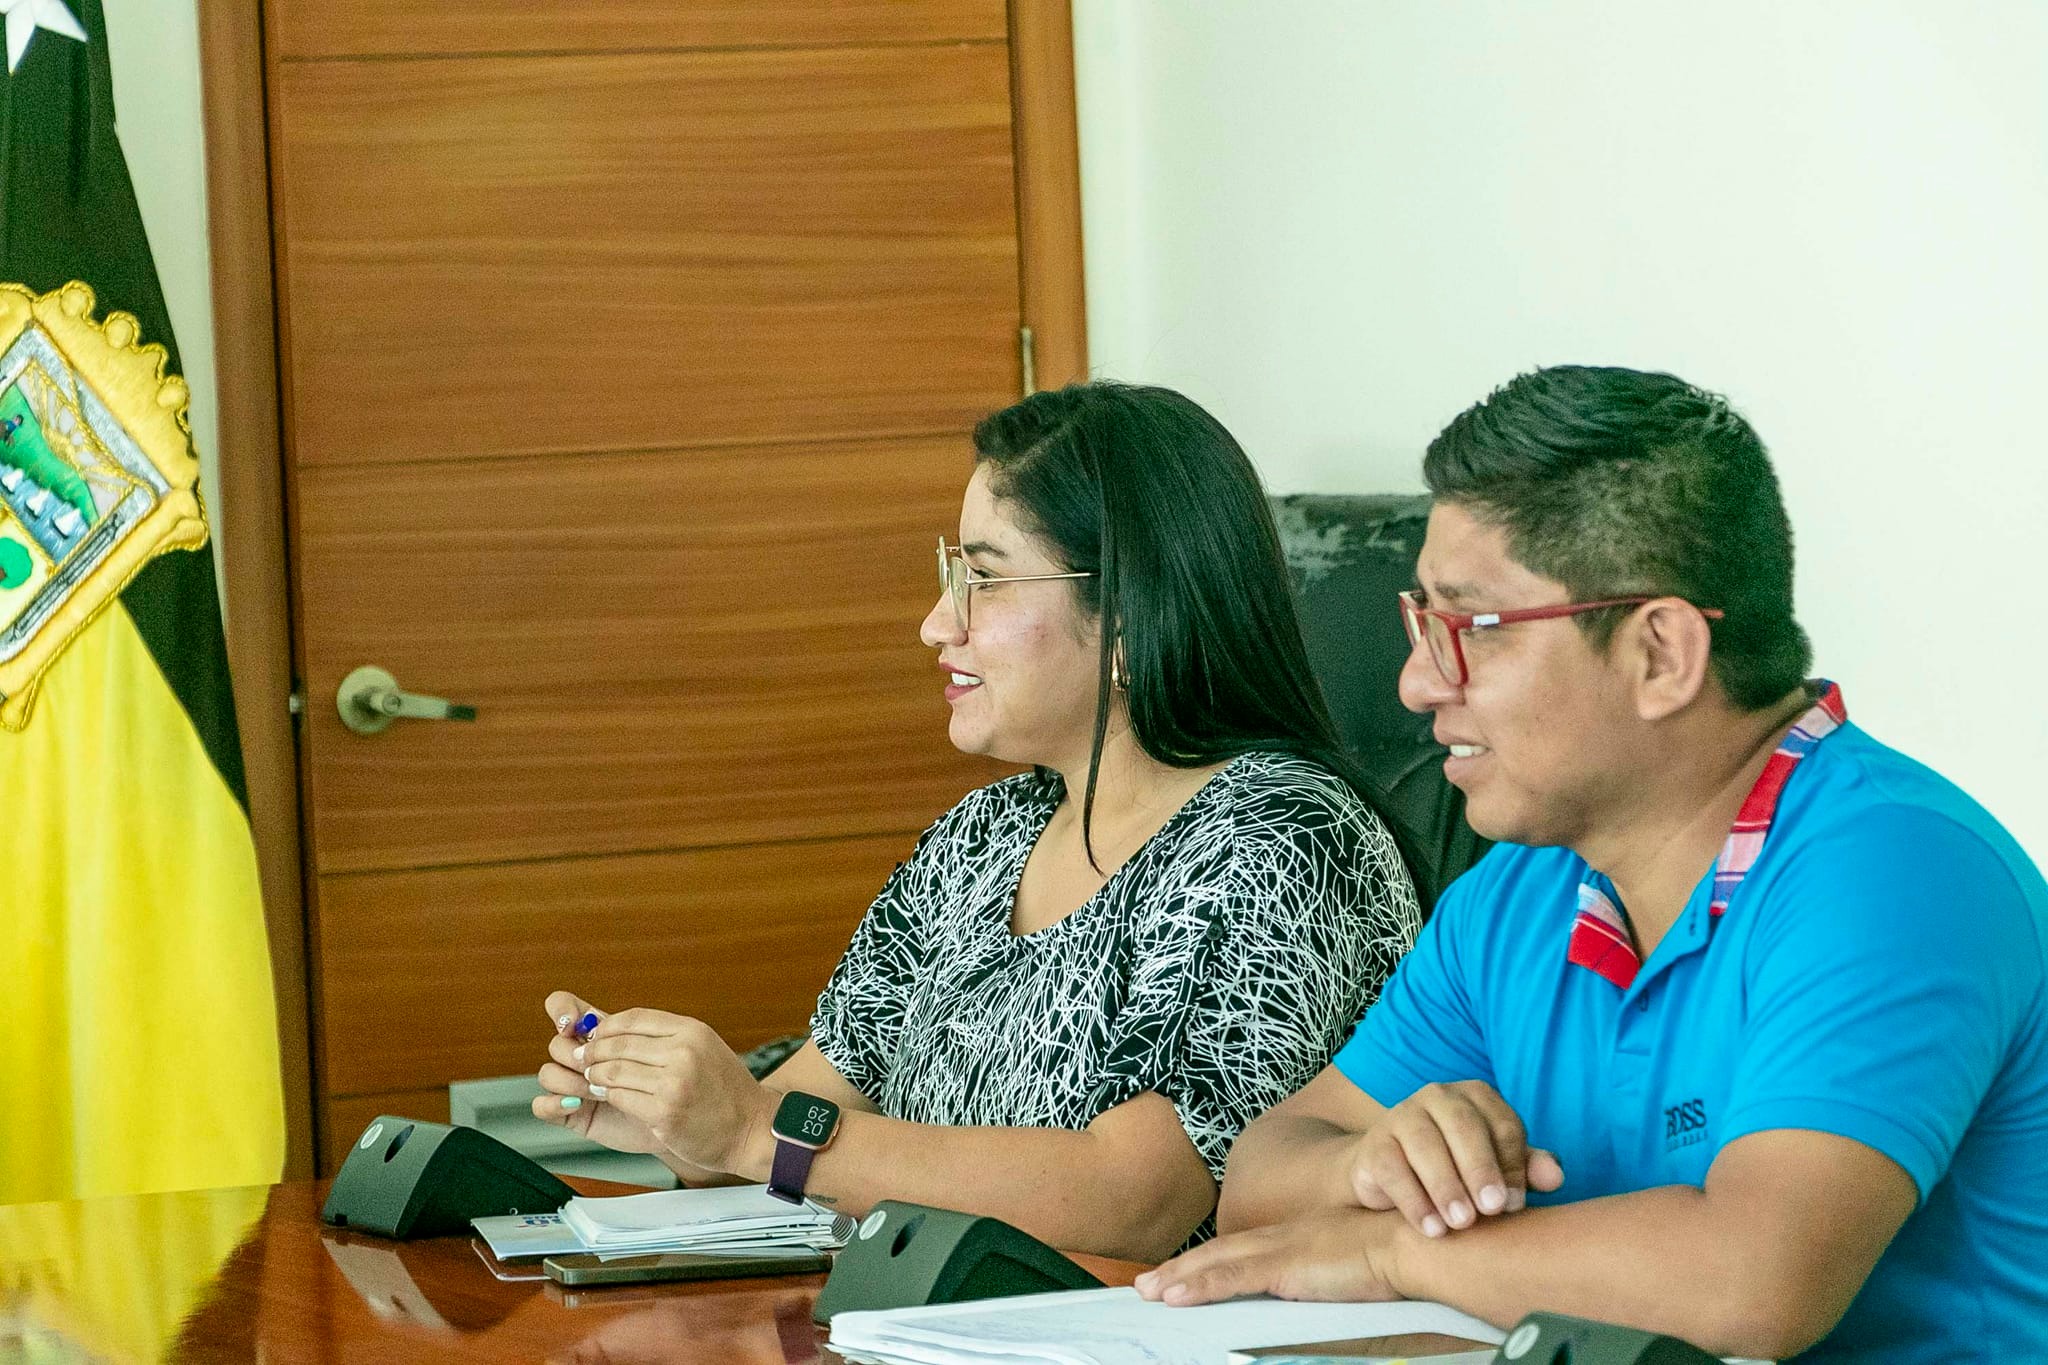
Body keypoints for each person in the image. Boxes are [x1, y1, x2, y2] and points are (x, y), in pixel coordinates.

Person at [1136, 366, 2048, 1361]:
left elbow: (1754, 1280)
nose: (1415, 684)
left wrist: (1395, 1250)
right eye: (1419, 623)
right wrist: (1367, 1167)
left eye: (1469, 629)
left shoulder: (1896, 875)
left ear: (1660, 654)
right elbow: (1260, 1182)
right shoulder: (1516, 893)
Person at [531, 381, 1422, 1260]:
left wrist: (757, 1132)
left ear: (1128, 615)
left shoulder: (1285, 841)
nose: (936, 624)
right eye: (951, 573)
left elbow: (1140, 1200)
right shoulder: (983, 835)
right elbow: (805, 1110)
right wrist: (670, 1112)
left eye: (985, 580)